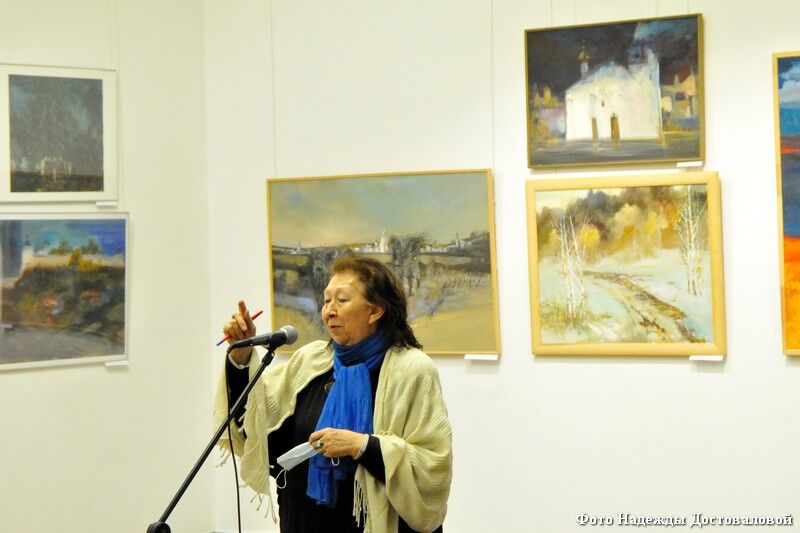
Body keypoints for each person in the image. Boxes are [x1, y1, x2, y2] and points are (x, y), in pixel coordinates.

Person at [214, 255, 452, 533]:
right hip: (304, 522)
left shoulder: (412, 370)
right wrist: (241, 356)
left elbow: (431, 467)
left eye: (342, 300)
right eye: (326, 300)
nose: (329, 311)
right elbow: (258, 428)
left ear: (375, 311)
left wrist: (361, 445)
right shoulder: (311, 361)